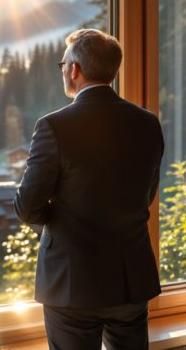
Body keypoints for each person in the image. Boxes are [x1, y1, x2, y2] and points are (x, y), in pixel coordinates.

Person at [14, 29, 164, 350]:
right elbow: (145, 196)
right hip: (130, 280)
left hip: (72, 283)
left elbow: (27, 207)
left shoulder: (53, 126)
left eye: (63, 64)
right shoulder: (148, 123)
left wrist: (66, 220)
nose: (64, 70)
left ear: (74, 70)